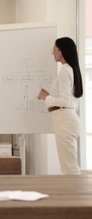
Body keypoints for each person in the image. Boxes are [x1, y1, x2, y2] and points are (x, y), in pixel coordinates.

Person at [38, 37, 83, 175]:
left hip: (65, 120)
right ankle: (74, 194)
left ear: (62, 51)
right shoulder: (71, 69)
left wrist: (46, 97)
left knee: (69, 167)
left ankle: (75, 195)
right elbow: (68, 98)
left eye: (55, 49)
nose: (53, 52)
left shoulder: (65, 70)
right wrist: (50, 96)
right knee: (69, 164)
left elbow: (64, 101)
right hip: (69, 118)